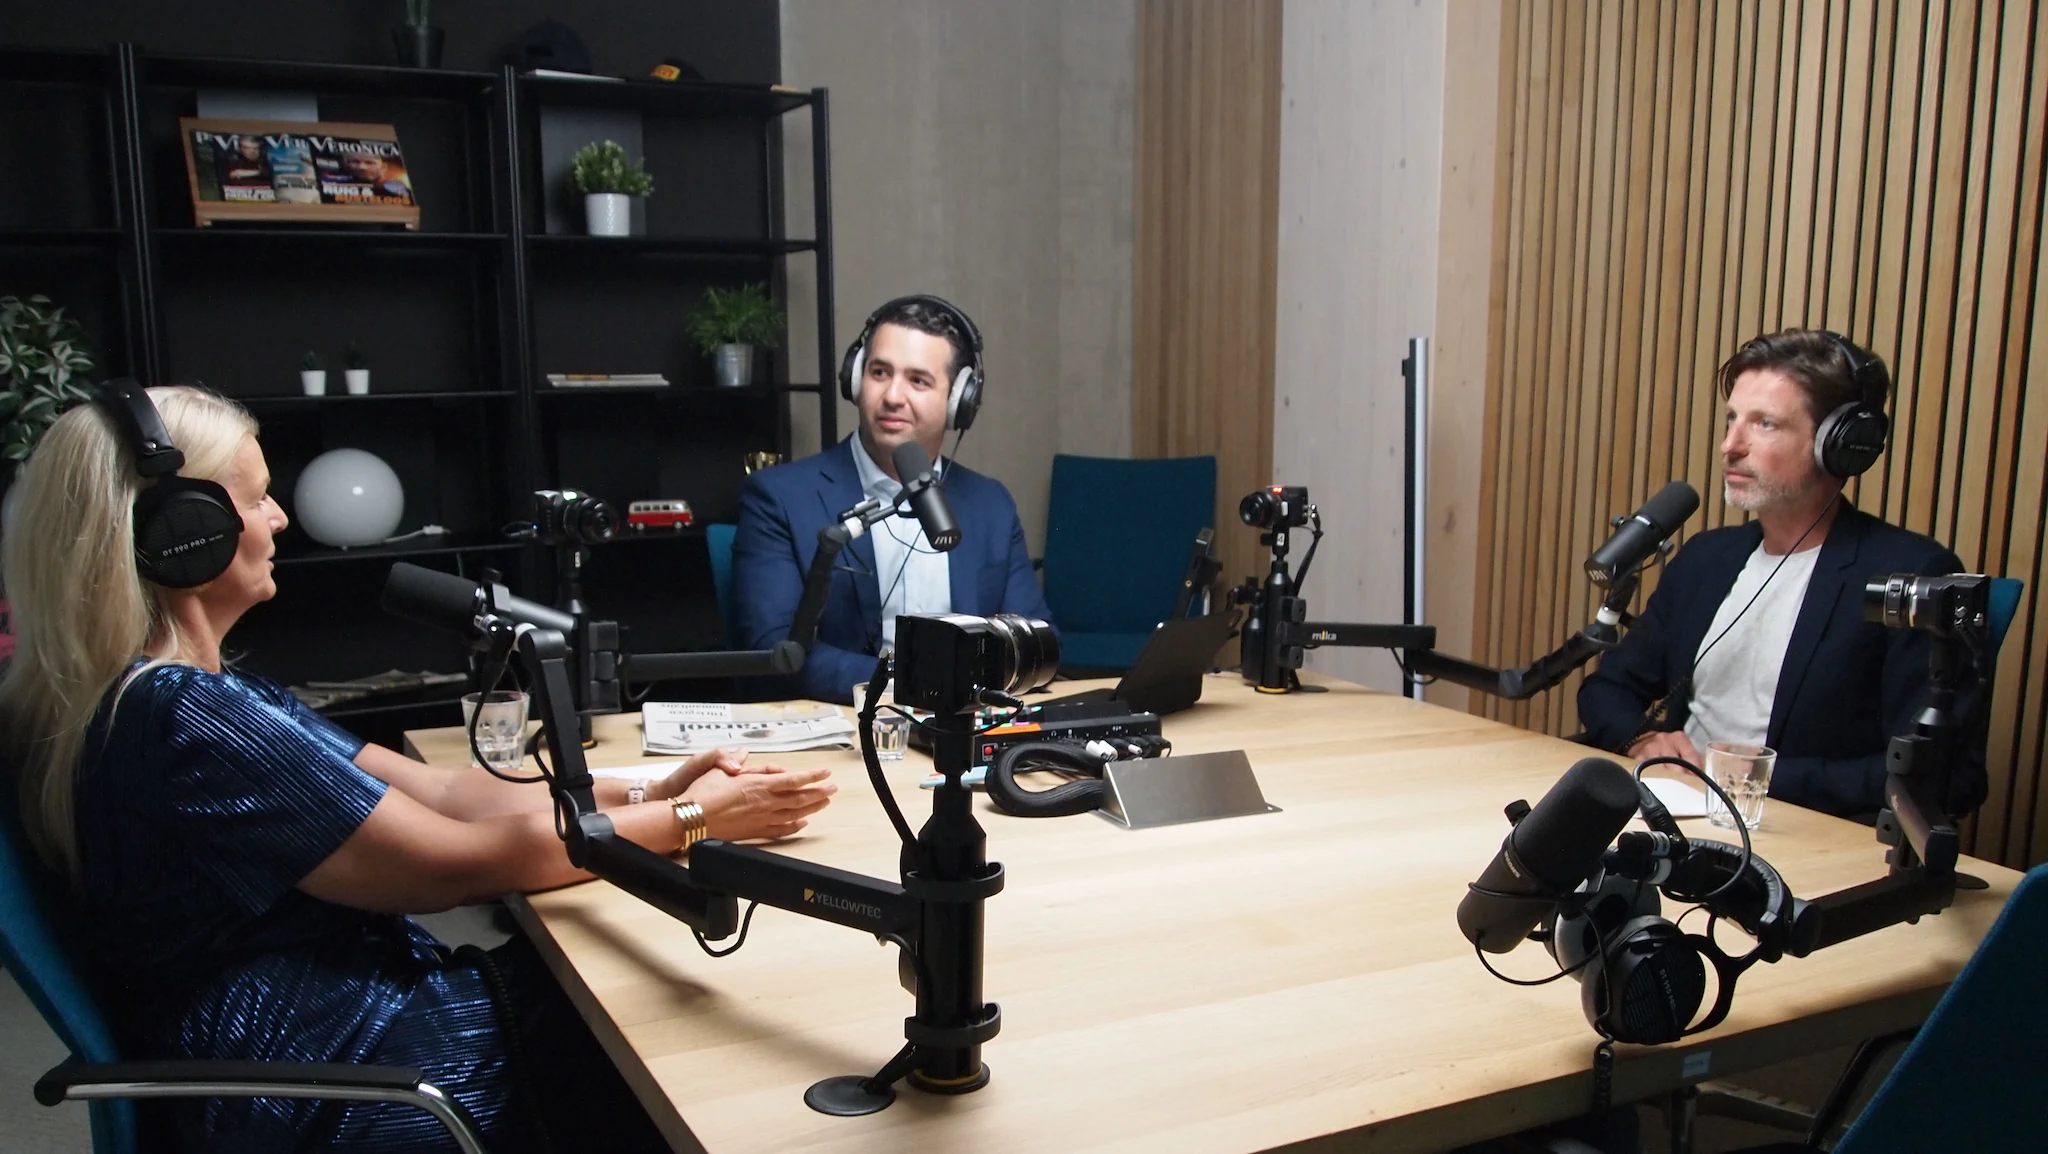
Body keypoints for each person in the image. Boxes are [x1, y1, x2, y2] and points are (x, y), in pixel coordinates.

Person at [0, 386, 838, 1153]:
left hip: (319, 1040)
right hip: (336, 1079)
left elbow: (440, 791)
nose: (281, 518)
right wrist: (698, 821)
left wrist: (657, 787)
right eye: (255, 500)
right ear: (182, 532)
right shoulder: (189, 717)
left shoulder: (170, 693)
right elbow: (454, 863)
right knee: (672, 1010)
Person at [1577, 329, 1984, 819]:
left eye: (1765, 424)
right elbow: (1607, 688)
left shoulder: (1911, 576)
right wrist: (1643, 740)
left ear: (1840, 444)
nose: (1730, 445)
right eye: (1732, 419)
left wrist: (1755, 777)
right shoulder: (1707, 558)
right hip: (1675, 815)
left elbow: (1947, 776)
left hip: (1797, 830)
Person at [733, 295, 1055, 703]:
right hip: (846, 726)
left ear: (959, 402)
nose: (892, 396)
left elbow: (1038, 644)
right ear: (855, 379)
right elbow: (776, 650)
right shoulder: (778, 497)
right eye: (880, 372)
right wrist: (918, 681)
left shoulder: (990, 505)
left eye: (918, 381)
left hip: (962, 724)